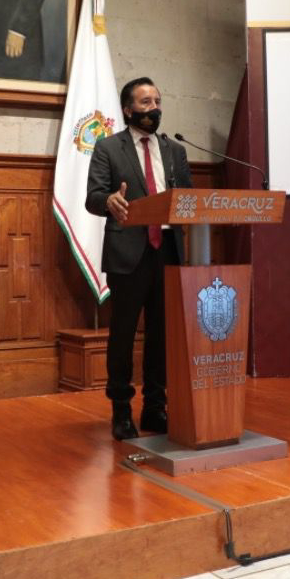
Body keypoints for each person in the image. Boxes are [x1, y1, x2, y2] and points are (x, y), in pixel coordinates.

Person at [85, 78, 192, 440]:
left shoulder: (175, 150)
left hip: (168, 251)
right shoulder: (108, 147)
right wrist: (108, 201)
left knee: (161, 335)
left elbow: (188, 199)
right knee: (124, 334)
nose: (154, 108)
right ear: (128, 109)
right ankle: (121, 410)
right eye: (146, 102)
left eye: (157, 101)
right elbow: (93, 197)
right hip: (128, 253)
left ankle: (155, 408)